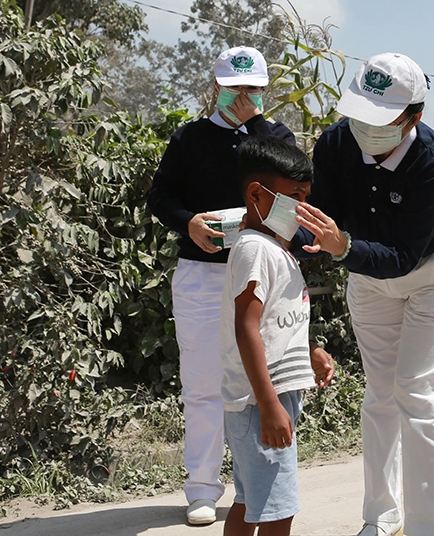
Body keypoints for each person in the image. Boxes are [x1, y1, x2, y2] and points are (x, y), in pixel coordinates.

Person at [291, 52, 434, 536]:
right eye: (358, 115)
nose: (363, 129)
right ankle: (381, 516)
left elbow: (402, 255)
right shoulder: (336, 142)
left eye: (379, 120)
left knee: (417, 389)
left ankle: (430, 527)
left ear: (414, 116)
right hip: (367, 271)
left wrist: (342, 245)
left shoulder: (432, 161)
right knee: (380, 393)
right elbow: (322, 215)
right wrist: (279, 236)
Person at [147, 46, 295, 526]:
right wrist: (187, 222)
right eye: (236, 88)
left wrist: (255, 128)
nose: (245, 96)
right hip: (203, 274)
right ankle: (202, 489)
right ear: (217, 85)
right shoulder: (190, 138)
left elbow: (294, 197)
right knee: (204, 383)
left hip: (260, 273)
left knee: (263, 381)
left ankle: (254, 492)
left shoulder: (275, 137)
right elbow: (160, 196)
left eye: (254, 89)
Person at [220, 136, 335, 536]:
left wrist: (310, 351)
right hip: (259, 399)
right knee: (276, 509)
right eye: (294, 196)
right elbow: (245, 327)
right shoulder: (256, 249)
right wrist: (269, 404)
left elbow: (274, 321)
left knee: (252, 499)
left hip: (264, 396)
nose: (302, 208)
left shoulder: (273, 247)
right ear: (256, 194)